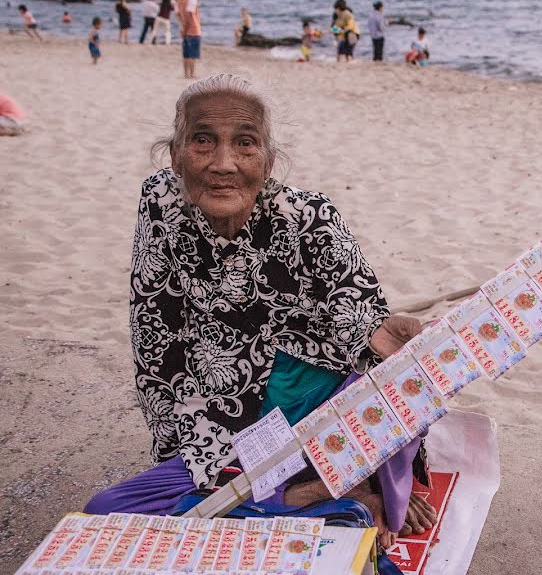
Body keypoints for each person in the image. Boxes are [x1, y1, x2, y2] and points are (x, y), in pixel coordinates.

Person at [82, 74, 438, 550]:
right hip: (228, 423)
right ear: (175, 155)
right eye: (202, 140)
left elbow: (359, 315)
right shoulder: (160, 204)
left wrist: (378, 339)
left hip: (322, 415)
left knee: (394, 384)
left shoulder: (311, 217)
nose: (222, 164)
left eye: (244, 143)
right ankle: (318, 498)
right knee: (104, 515)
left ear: (269, 161)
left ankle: (352, 482)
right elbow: (155, 338)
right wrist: (186, 464)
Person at [176, 0, 202, 79]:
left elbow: (177, 14)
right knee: (192, 54)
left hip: (185, 28)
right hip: (193, 29)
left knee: (186, 53)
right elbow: (189, 13)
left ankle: (186, 73)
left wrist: (182, 26)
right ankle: (192, 74)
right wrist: (186, 27)